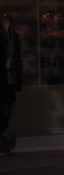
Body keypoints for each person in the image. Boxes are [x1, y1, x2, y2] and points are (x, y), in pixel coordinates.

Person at [0, 14, 22, 153]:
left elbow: (17, 59)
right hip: (2, 79)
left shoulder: (14, 37)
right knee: (2, 108)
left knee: (7, 108)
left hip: (10, 79)